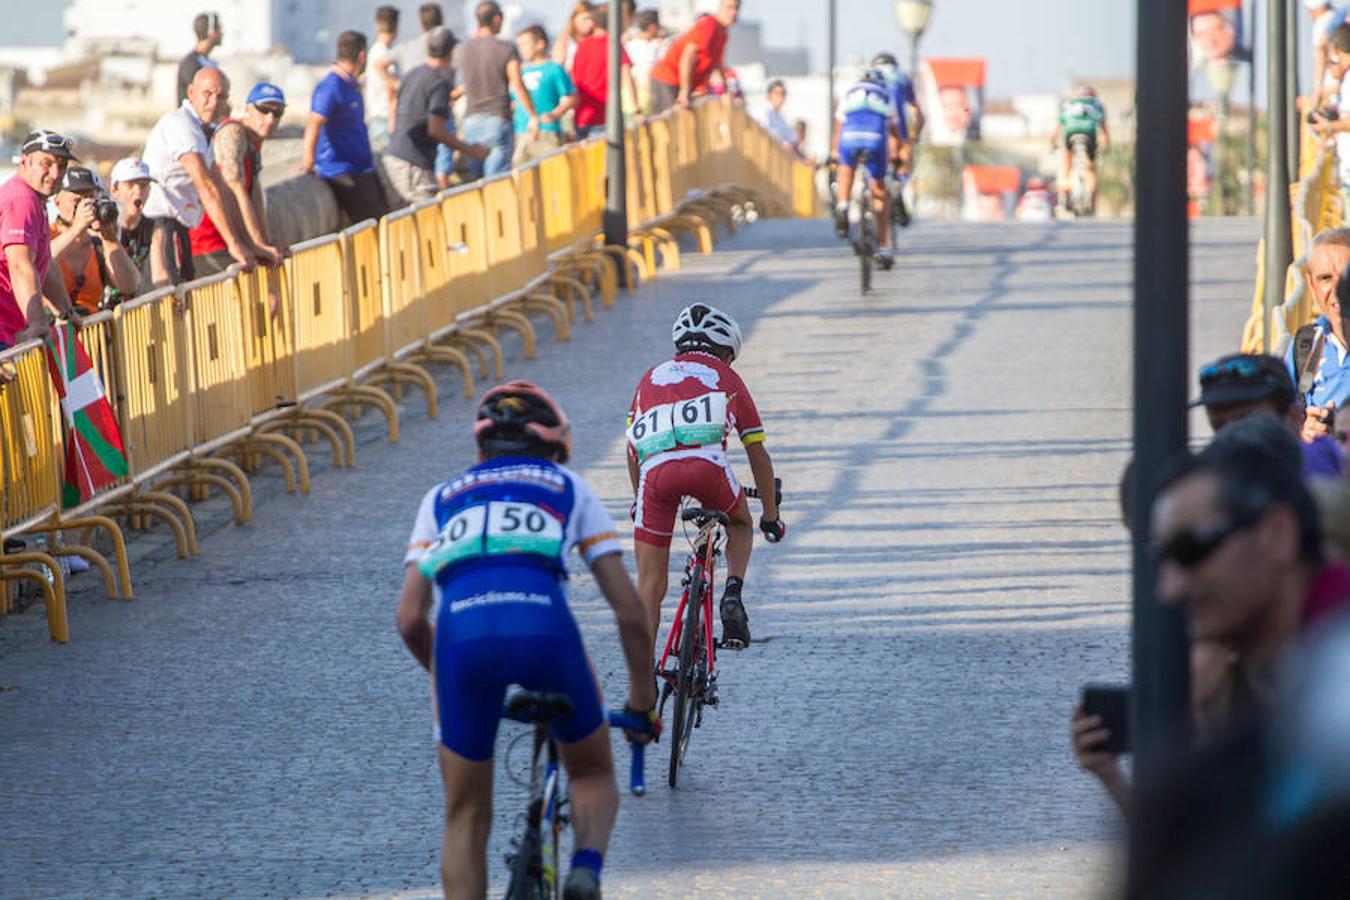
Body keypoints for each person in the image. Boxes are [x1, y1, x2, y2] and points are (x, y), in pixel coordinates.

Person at [396, 380, 656, 900]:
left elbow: (408, 619)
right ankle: (584, 868)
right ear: (556, 445)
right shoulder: (566, 486)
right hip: (544, 629)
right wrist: (642, 703)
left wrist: (448, 680)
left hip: (460, 640)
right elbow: (629, 612)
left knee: (464, 815)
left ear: (481, 446)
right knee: (591, 773)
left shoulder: (441, 498)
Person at [627, 304, 785, 652]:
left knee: (649, 581)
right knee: (740, 524)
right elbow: (756, 451)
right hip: (708, 468)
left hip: (654, 477)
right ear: (726, 351)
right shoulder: (728, 377)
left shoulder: (649, 378)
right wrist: (770, 517)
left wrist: (638, 501)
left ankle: (642, 692)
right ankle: (732, 594)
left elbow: (632, 450)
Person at [143, 67, 256, 283]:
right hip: (160, 225)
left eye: (221, 96)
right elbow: (206, 187)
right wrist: (234, 244)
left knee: (185, 299)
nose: (213, 102)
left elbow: (221, 186)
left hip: (180, 226)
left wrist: (248, 242)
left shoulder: (205, 129)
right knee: (168, 299)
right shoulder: (181, 124)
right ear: (191, 92)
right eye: (208, 94)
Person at [383, 27, 490, 204]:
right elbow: (436, 130)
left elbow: (395, 104)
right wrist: (470, 150)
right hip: (413, 164)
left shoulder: (413, 74)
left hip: (395, 156)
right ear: (450, 52)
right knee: (429, 218)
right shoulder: (439, 82)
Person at [190, 82, 287, 277]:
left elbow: (255, 195)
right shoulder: (233, 132)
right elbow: (236, 190)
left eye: (277, 113)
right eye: (263, 110)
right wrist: (257, 245)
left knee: (269, 298)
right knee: (267, 300)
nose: (269, 119)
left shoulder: (253, 145)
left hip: (234, 242)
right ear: (246, 109)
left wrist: (266, 242)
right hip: (211, 242)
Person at [1194, 353, 1344, 478]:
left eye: (1244, 423)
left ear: (1293, 416)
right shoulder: (1209, 489)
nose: (1230, 435)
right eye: (1218, 425)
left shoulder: (1332, 473)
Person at [0, 130, 84, 348]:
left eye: (62, 165)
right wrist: (37, 322)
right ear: (24, 162)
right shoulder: (22, 200)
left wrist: (66, 311)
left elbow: (45, 265)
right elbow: (20, 264)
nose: (55, 173)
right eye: (46, 163)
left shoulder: (35, 201)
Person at [300, 31, 389, 226]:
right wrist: (308, 161)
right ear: (362, 56)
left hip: (361, 169)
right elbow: (314, 124)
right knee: (373, 227)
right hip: (341, 172)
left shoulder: (351, 85)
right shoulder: (331, 86)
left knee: (386, 221)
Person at [452, 2, 538, 181]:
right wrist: (532, 115)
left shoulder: (462, 49)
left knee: (476, 184)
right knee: (497, 184)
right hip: (497, 119)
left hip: (470, 123)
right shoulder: (506, 48)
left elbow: (461, 86)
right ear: (496, 19)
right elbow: (517, 84)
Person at [1284, 227, 1350, 441]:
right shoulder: (1305, 346)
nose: (1339, 288)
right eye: (1325, 278)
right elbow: (1279, 425)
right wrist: (1303, 430)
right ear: (1311, 287)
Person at [831, 68, 901, 269]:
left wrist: (835, 154)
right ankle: (884, 248)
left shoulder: (850, 93)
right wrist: (895, 157)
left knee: (846, 169)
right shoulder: (885, 94)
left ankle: (842, 207)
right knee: (879, 190)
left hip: (850, 137)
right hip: (875, 139)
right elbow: (894, 131)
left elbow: (838, 128)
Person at [49, 166, 140, 314]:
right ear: (57, 201)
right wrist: (76, 228)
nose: (86, 206)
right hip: (54, 330)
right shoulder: (45, 235)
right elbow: (40, 262)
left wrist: (110, 239)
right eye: (77, 200)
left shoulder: (97, 244)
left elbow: (129, 285)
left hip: (91, 331)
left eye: (90, 199)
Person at [647, 0, 739, 114]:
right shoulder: (709, 25)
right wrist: (685, 91)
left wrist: (725, 90)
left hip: (683, 85)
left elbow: (718, 64)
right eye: (729, 8)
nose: (734, 12)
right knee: (668, 122)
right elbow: (688, 56)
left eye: (736, 8)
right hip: (667, 80)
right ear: (719, 8)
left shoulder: (722, 34)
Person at [569, 4, 640, 140]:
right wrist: (636, 109)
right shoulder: (613, 44)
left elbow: (575, 82)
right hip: (605, 117)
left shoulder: (582, 46)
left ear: (594, 24)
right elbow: (627, 77)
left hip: (582, 116)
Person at [108, 157, 172, 296]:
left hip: (134, 306)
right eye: (130, 185)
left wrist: (169, 299)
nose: (138, 192)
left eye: (143, 185)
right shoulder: (105, 225)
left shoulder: (154, 228)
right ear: (114, 190)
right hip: (104, 305)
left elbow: (160, 274)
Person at [511, 25, 575, 162]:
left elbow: (571, 98)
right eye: (519, 45)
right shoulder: (519, 71)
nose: (521, 48)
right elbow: (514, 101)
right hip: (523, 132)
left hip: (548, 131)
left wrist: (554, 114)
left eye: (525, 44)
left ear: (540, 44)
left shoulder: (553, 68)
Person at [1050, 85, 1110, 214]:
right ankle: (1093, 201)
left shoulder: (1068, 104)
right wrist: (1106, 148)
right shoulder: (1096, 104)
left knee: (1067, 165)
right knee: (1091, 169)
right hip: (1089, 134)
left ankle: (1065, 193)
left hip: (1070, 134)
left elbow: (1056, 131)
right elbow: (1104, 130)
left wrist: (1052, 144)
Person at [365, 5, 401, 150]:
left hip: (376, 115)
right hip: (385, 118)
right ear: (396, 28)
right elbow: (391, 89)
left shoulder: (373, 50)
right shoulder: (385, 54)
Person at [623, 9, 665, 115]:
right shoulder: (632, 47)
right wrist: (635, 106)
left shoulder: (655, 45)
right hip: (635, 107)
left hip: (652, 103)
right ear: (652, 28)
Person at [177, 11, 222, 106]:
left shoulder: (208, 62)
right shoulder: (190, 63)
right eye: (219, 29)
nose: (222, 33)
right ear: (211, 32)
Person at [552, 1, 597, 71]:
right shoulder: (565, 41)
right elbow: (557, 69)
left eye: (592, 19)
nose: (590, 24)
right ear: (574, 18)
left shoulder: (595, 41)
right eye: (585, 19)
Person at [757, 79, 796, 150]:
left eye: (783, 94)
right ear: (769, 95)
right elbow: (764, 132)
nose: (781, 97)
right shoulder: (762, 112)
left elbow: (792, 139)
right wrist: (782, 143)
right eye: (777, 93)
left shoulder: (782, 118)